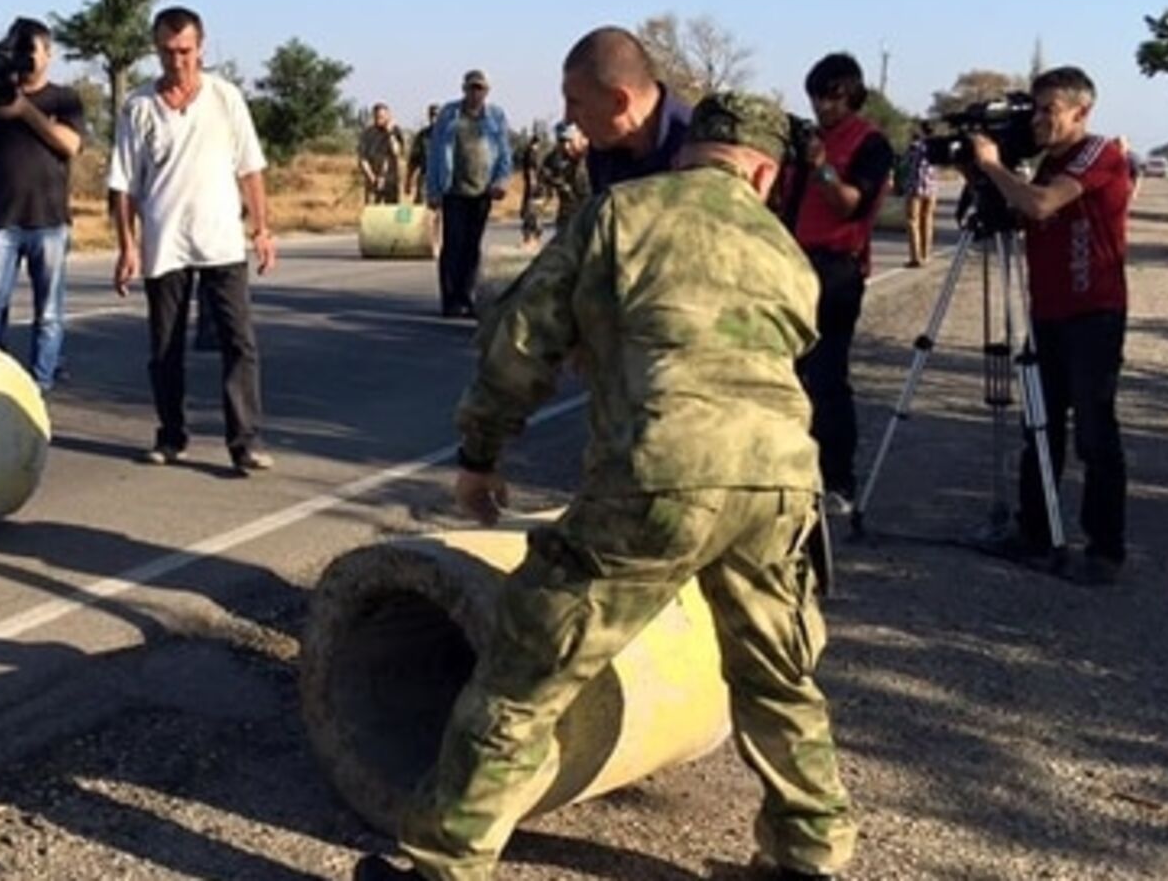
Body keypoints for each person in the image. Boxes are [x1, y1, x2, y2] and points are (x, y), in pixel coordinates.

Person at [355, 92, 855, 881]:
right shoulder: (784, 251)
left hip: (660, 478)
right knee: (777, 674)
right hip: (782, 484)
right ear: (761, 170)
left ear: (693, 152)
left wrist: (481, 453)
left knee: (525, 673)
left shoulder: (622, 214)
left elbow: (521, 343)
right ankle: (807, 856)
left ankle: (445, 863)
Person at [968, 66, 1133, 585]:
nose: (1039, 120)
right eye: (1035, 109)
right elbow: (1021, 215)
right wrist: (988, 184)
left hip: (1094, 314)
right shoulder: (1044, 164)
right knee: (1038, 427)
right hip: (1047, 313)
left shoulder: (1097, 153)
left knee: (1093, 434)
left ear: (1081, 112)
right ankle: (1035, 531)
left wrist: (993, 167)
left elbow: (1041, 203)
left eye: (1050, 110)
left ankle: (1104, 549)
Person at [107, 6, 279, 474]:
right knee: (165, 348)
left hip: (222, 240)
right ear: (155, 50)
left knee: (238, 342)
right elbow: (122, 184)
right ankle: (170, 436)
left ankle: (244, 442)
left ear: (200, 48)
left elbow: (251, 168)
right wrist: (128, 246)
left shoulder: (225, 98)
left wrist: (261, 229)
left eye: (184, 51)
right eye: (166, 51)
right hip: (165, 244)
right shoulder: (139, 106)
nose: (176, 60)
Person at [779, 52, 894, 513]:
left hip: (836, 268)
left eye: (832, 98)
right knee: (785, 373)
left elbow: (851, 203)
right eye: (816, 99)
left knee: (827, 377)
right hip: (792, 261)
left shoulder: (871, 144)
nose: (823, 108)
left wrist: (822, 165)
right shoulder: (808, 139)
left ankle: (837, 481)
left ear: (852, 96)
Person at [0, 17, 87, 390]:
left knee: (48, 313)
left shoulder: (63, 98)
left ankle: (40, 385)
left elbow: (70, 144)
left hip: (49, 220)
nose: (23, 58)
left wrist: (24, 111)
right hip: (2, 218)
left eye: (29, 51)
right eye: (16, 49)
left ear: (48, 54)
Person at [563, 27, 694, 193]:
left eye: (576, 103)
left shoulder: (698, 148)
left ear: (619, 101)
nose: (568, 118)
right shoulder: (602, 152)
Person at [425, 71, 512, 318]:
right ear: (464, 89)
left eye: (480, 89)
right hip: (453, 189)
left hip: (482, 190)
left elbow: (505, 152)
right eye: (471, 88)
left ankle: (466, 297)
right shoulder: (449, 114)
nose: (475, 93)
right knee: (453, 244)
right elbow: (435, 154)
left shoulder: (495, 116)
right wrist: (432, 190)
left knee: (472, 246)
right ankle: (450, 300)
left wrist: (502, 181)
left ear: (487, 91)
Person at [540, 122, 593, 230]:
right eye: (561, 141)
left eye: (570, 140)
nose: (566, 146)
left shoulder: (598, 155)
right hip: (567, 217)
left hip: (593, 215)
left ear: (582, 137)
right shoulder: (553, 160)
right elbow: (540, 192)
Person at [904, 122, 938, 267]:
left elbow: (906, 162)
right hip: (932, 188)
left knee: (912, 221)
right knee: (928, 220)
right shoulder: (936, 147)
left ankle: (916, 256)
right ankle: (926, 254)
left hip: (915, 187)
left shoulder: (915, 147)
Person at [359, 102, 407, 205]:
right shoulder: (367, 134)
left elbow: (396, 152)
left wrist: (390, 133)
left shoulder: (396, 131)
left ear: (388, 116)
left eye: (382, 117)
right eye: (376, 116)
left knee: (390, 214)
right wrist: (372, 178)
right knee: (372, 213)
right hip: (372, 180)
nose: (379, 119)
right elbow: (363, 159)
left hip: (391, 181)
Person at [515, 124, 548, 248]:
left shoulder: (531, 152)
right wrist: (534, 183)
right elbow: (531, 170)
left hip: (533, 185)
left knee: (534, 211)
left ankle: (532, 237)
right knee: (531, 211)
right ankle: (529, 237)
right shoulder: (531, 153)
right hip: (532, 186)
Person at [407, 104, 439, 205]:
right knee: (421, 208)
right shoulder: (422, 136)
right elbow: (413, 160)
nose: (434, 118)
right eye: (432, 115)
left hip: (443, 179)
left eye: (436, 115)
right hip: (425, 177)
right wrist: (409, 181)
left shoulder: (448, 135)